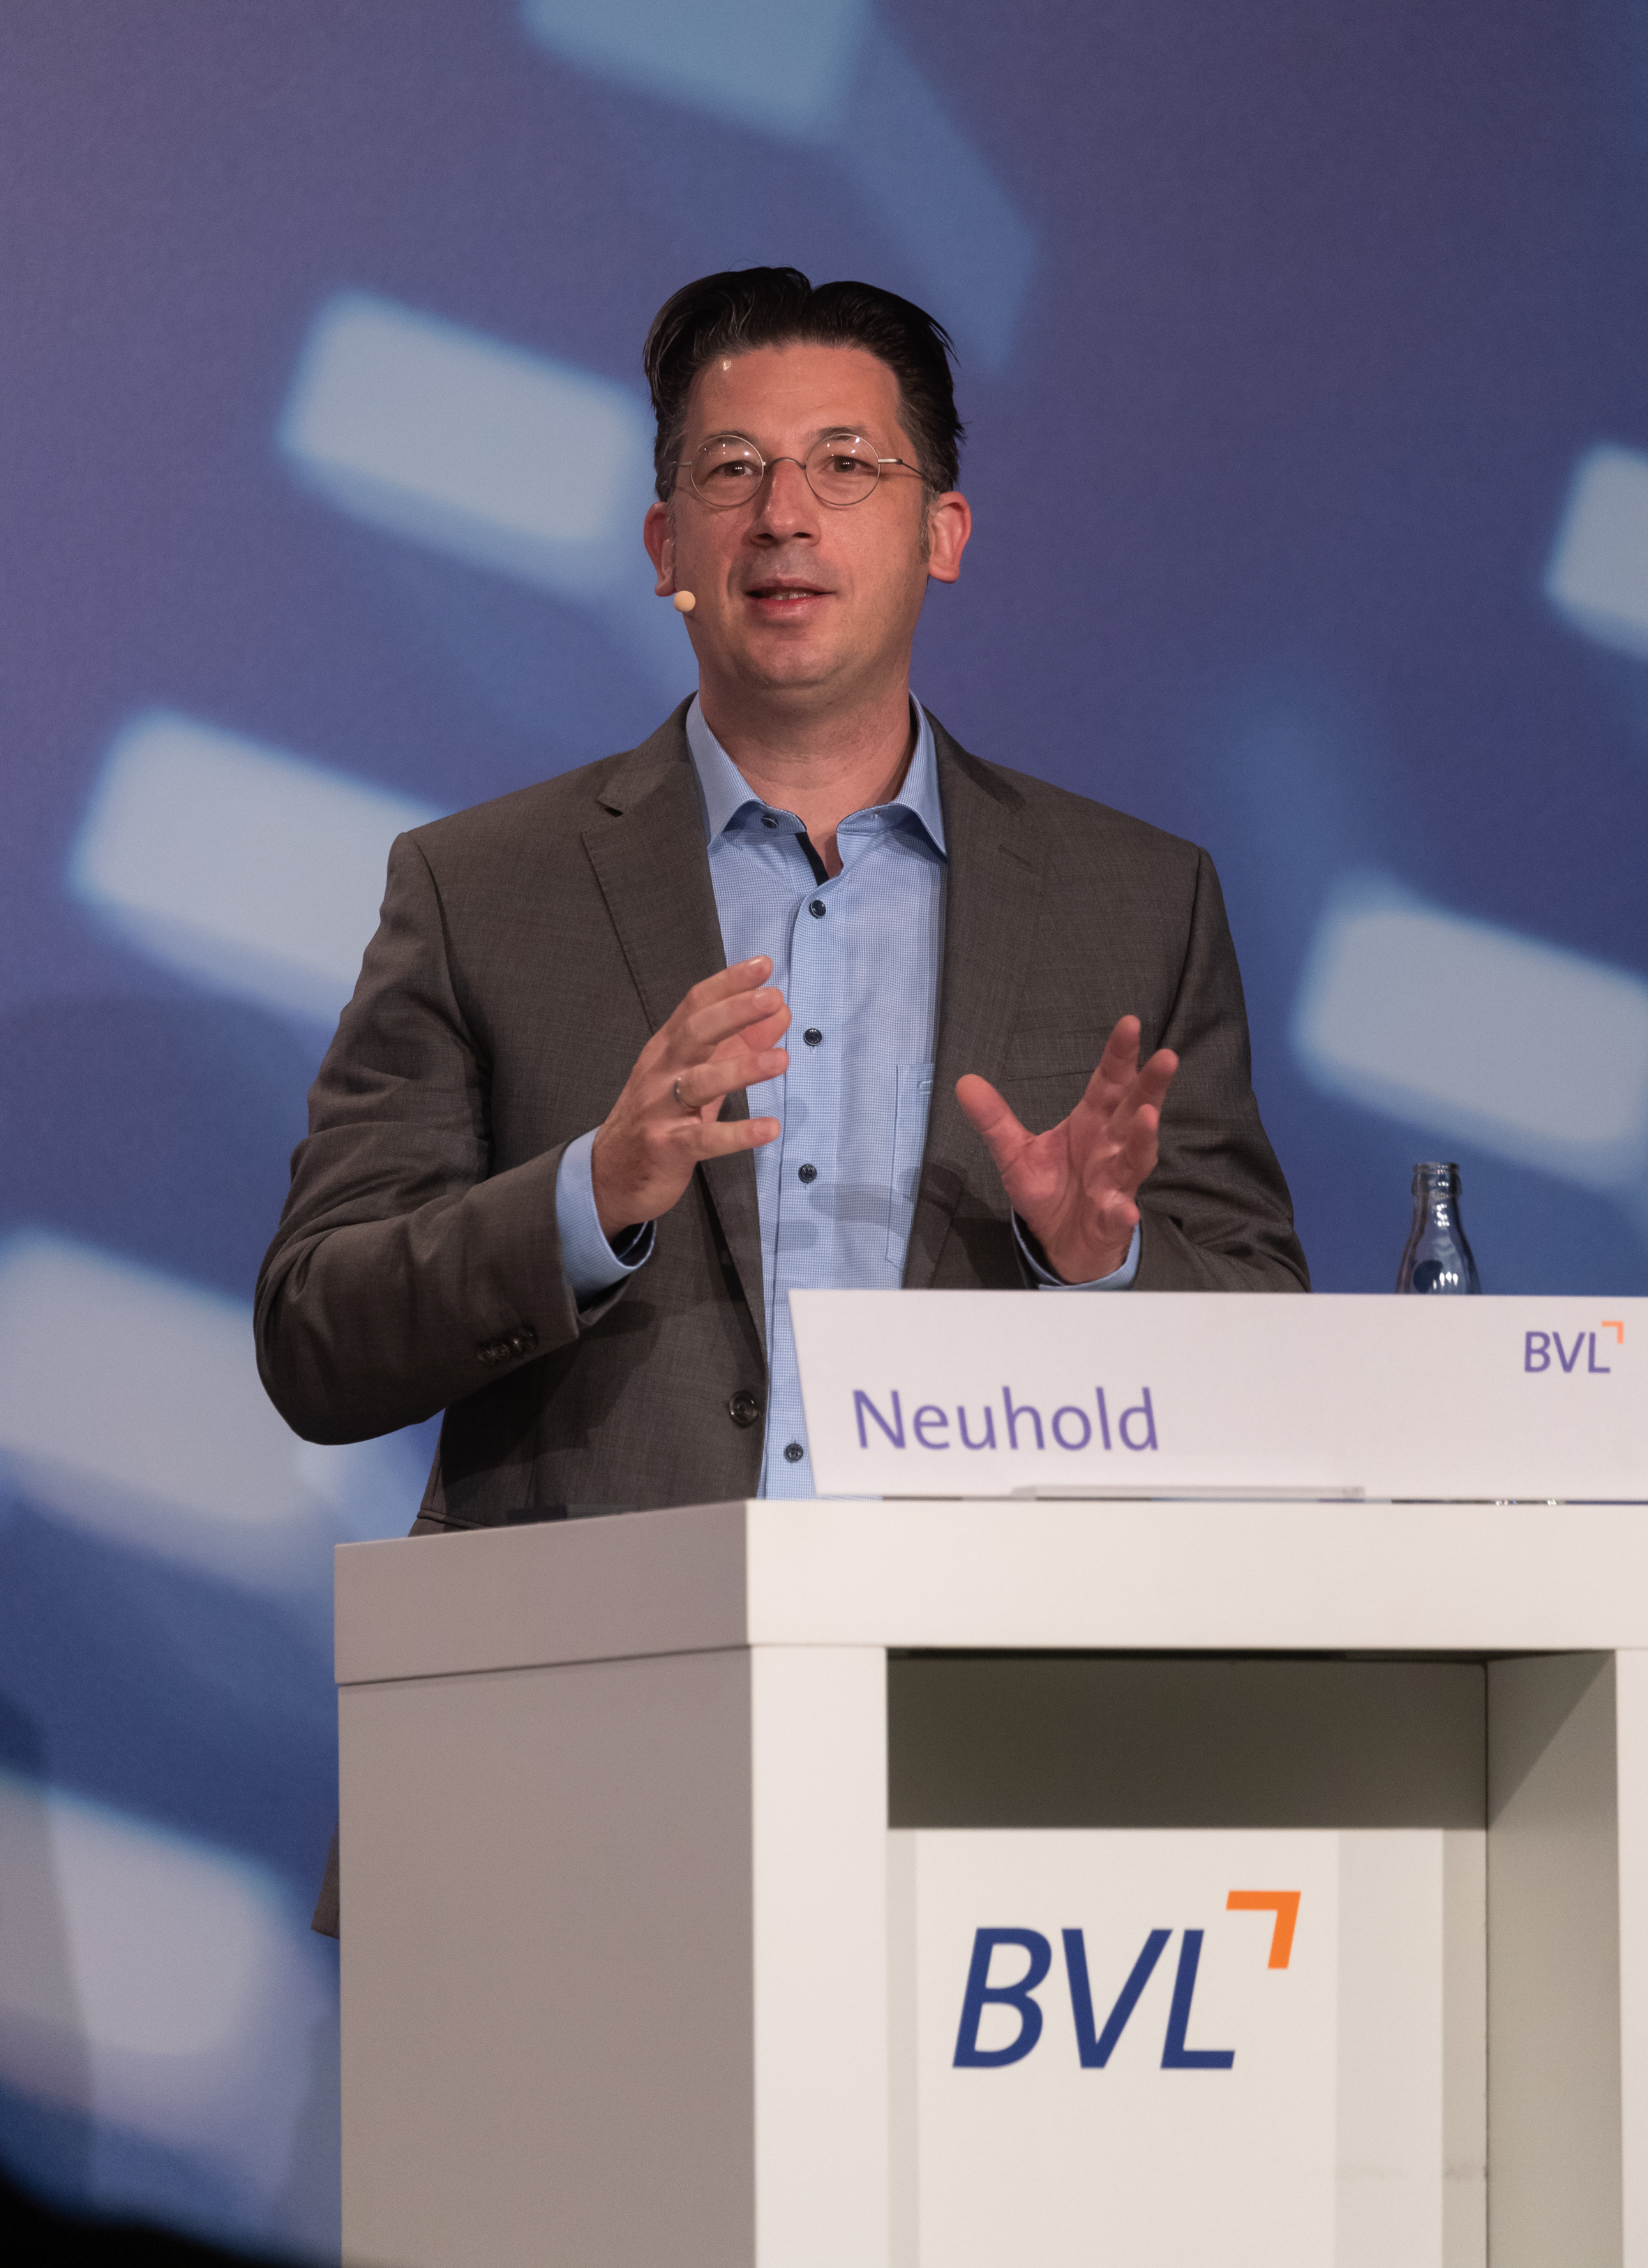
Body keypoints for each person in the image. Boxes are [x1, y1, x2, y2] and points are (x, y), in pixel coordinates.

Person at [257, 269, 1308, 1925]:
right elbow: (317, 1334)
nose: (783, 516)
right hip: (569, 1767)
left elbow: (1270, 1344)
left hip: (996, 1765)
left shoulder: (1133, 898)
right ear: (662, 541)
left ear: (942, 530)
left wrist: (1094, 1267)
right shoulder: (481, 887)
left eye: (844, 464)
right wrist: (587, 1195)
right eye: (730, 470)